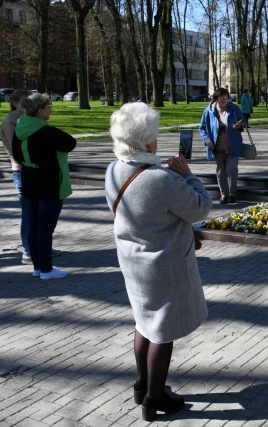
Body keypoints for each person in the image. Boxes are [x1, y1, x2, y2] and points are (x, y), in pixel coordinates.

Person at [105, 103, 212, 422]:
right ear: (147, 142)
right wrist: (189, 175)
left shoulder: (113, 169)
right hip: (163, 264)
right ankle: (154, 399)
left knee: (143, 322)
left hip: (132, 260)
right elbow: (200, 209)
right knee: (162, 331)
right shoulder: (160, 178)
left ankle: (142, 385)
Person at [11, 93, 76, 280]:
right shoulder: (47, 131)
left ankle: (38, 267)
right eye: (49, 108)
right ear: (40, 111)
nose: (50, 111)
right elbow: (71, 143)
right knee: (45, 228)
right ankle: (47, 269)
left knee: (33, 226)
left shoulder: (20, 128)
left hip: (29, 180)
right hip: (49, 183)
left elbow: (16, 154)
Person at [199, 88, 246, 203]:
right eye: (221, 97)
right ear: (216, 99)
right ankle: (224, 195)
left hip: (233, 145)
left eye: (226, 97)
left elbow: (243, 121)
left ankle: (232, 193)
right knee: (221, 171)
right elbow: (202, 128)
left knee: (231, 169)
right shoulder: (209, 111)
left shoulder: (234, 109)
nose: (224, 99)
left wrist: (239, 126)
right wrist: (207, 140)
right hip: (216, 147)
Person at [1, 90, 31, 264]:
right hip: (22, 170)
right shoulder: (11, 121)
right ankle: (28, 250)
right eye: (23, 101)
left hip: (33, 170)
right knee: (28, 212)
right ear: (14, 103)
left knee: (37, 212)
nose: (27, 104)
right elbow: (15, 149)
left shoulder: (27, 120)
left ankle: (39, 245)